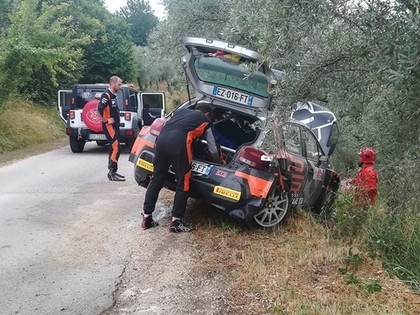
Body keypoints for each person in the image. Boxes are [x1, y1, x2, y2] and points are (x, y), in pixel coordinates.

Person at [141, 102, 223, 233]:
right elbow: (213, 148)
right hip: (179, 145)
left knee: (156, 179)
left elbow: (164, 125)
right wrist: (219, 162)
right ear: (208, 114)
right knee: (183, 184)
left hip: (160, 143)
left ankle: (146, 217)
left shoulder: (179, 112)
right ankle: (176, 222)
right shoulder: (206, 121)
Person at [97, 76, 125, 181]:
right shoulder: (106, 95)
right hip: (110, 127)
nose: (120, 86)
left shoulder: (113, 95)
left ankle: (112, 172)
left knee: (114, 148)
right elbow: (98, 109)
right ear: (113, 83)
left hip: (115, 126)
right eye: (119, 84)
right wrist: (105, 120)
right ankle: (112, 173)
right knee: (116, 147)